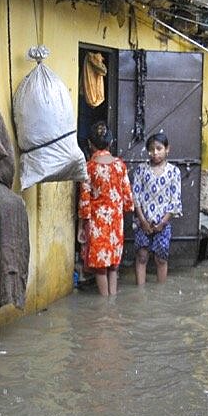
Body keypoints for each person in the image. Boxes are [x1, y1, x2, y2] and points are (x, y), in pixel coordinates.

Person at [77, 123, 134, 297]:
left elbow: (84, 203)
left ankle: (104, 307)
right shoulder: (120, 166)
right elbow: (128, 200)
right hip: (116, 222)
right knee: (113, 267)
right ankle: (112, 302)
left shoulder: (89, 167)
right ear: (110, 143)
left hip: (97, 222)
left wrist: (81, 227)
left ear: (90, 144)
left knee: (100, 268)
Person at [132, 132, 182, 285]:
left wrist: (162, 223)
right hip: (143, 222)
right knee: (142, 256)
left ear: (167, 149)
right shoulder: (141, 170)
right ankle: (140, 293)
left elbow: (175, 201)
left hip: (163, 224)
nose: (155, 153)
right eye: (152, 149)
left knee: (161, 259)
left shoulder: (174, 172)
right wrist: (142, 220)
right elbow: (136, 197)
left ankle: (161, 291)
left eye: (159, 148)